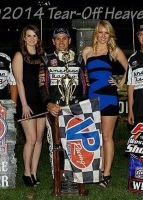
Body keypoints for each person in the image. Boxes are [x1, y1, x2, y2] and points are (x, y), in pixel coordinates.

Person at [81, 20, 128, 187]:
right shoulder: (86, 51)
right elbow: (82, 75)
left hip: (108, 97)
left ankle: (106, 174)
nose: (102, 36)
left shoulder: (113, 50)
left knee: (107, 137)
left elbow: (129, 67)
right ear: (96, 33)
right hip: (91, 98)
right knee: (96, 137)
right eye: (100, 32)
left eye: (106, 33)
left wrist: (121, 83)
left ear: (110, 35)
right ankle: (97, 170)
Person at [39, 28, 88, 185]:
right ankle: (58, 179)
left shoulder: (79, 60)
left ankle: (75, 177)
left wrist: (82, 105)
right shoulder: (46, 60)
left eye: (64, 38)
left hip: (75, 109)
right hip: (55, 110)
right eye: (57, 39)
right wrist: (48, 103)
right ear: (53, 41)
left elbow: (85, 86)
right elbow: (41, 86)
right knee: (56, 144)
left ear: (70, 41)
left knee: (76, 143)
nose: (61, 42)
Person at [12, 25, 46, 187]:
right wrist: (24, 104)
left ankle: (34, 171)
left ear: (38, 38)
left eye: (35, 36)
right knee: (31, 139)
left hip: (41, 102)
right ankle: (26, 172)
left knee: (39, 139)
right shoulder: (19, 56)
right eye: (29, 36)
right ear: (24, 38)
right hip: (27, 102)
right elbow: (19, 82)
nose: (32, 38)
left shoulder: (42, 56)